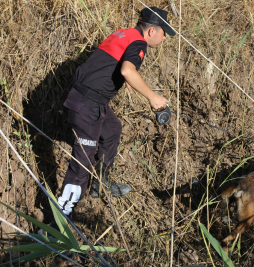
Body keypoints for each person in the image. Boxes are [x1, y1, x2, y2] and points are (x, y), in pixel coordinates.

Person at [57, 6, 176, 217]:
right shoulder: (139, 43)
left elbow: (110, 63)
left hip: (81, 95)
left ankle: (99, 184)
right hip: (88, 104)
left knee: (112, 129)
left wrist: (126, 79)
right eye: (164, 33)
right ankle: (60, 222)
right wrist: (153, 97)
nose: (165, 38)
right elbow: (127, 69)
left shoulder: (123, 33)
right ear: (152, 31)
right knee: (81, 164)